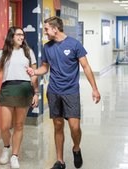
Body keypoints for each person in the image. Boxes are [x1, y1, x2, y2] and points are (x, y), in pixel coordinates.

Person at [26, 16, 101, 169]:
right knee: (58, 125)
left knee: (75, 127)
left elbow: (86, 67)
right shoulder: (47, 47)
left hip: (71, 92)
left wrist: (94, 88)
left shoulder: (74, 44)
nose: (45, 32)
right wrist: (34, 71)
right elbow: (45, 68)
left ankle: (76, 147)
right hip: (54, 91)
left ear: (55, 28)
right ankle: (60, 161)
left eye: (46, 29)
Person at [0, 26, 39, 169]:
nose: (21, 37)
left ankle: (14, 156)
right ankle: (6, 147)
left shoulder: (29, 52)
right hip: (8, 89)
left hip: (24, 89)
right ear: (11, 36)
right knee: (4, 126)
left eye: (22, 35)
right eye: (18, 35)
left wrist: (36, 93)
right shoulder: (1, 53)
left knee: (19, 125)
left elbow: (34, 74)